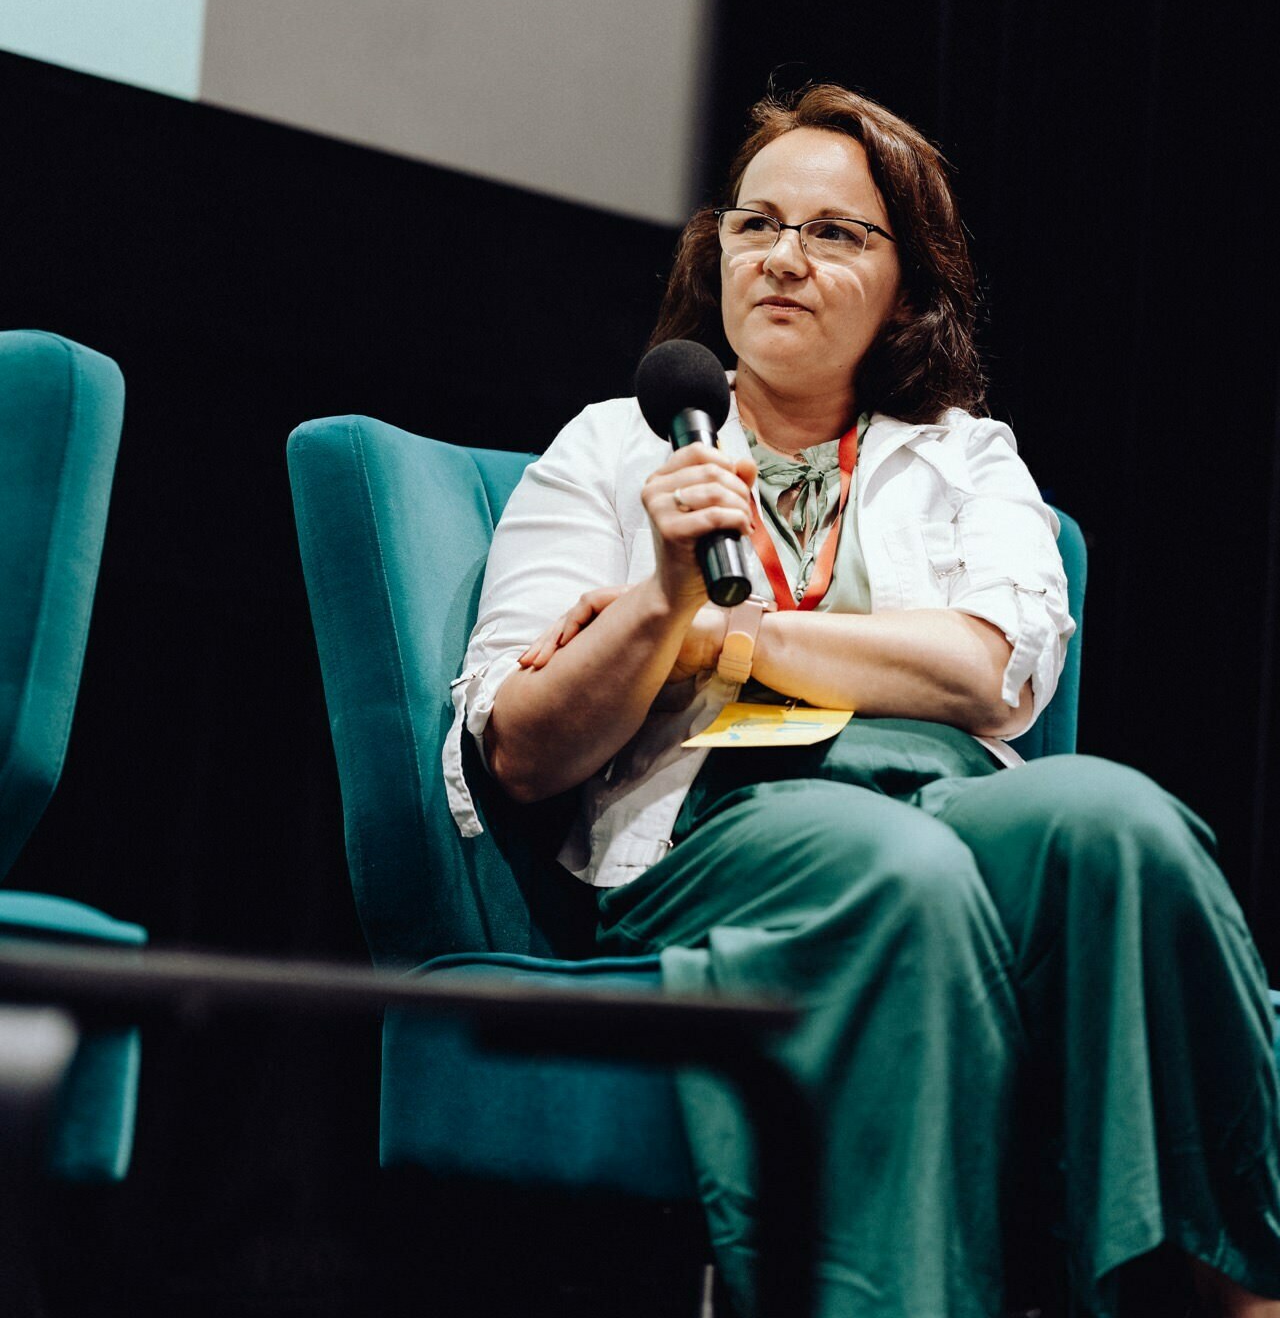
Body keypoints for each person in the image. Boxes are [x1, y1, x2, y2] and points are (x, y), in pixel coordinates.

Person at [444, 83, 1280, 1317]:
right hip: (721, 831)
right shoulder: (612, 453)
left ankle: (1222, 1289)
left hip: (942, 796)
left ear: (908, 285)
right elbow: (513, 749)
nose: (782, 257)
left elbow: (985, 670)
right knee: (896, 867)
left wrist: (724, 638)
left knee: (1117, 822)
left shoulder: (963, 457)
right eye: (754, 224)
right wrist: (655, 597)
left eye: (834, 233)